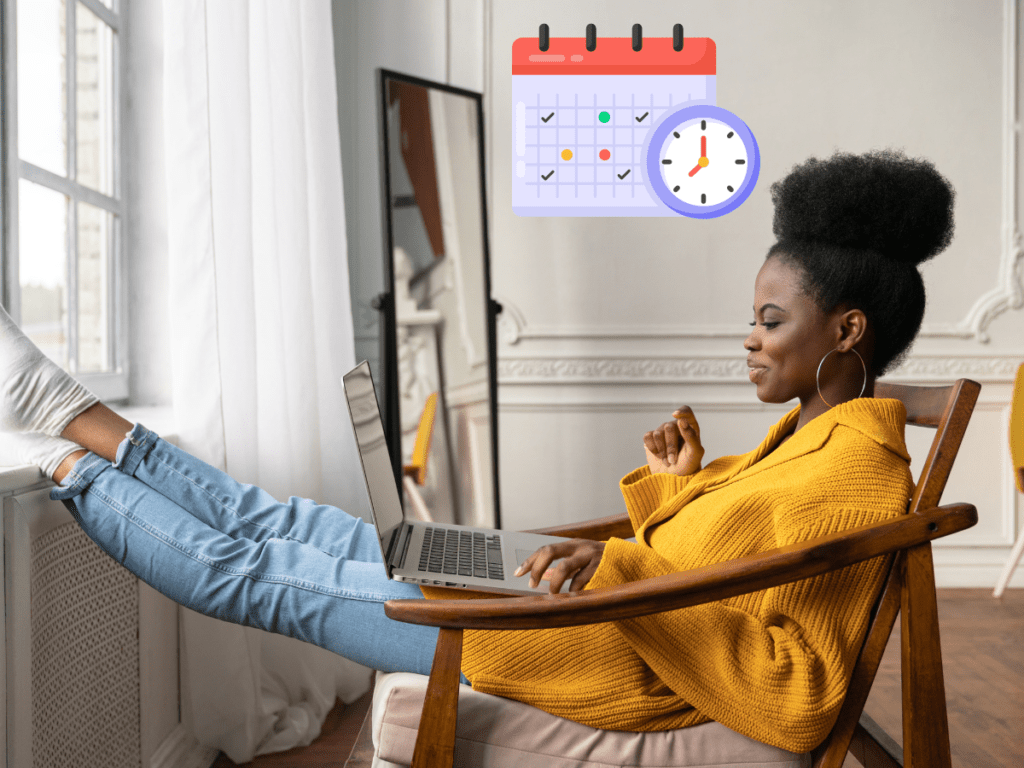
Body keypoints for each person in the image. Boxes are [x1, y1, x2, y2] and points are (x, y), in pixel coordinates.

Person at [0, 148, 954, 753]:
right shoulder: (809, 436)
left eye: (771, 320)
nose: (749, 339)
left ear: (846, 330)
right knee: (289, 522)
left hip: (570, 645)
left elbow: (799, 694)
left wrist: (618, 558)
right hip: (573, 604)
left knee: (261, 569)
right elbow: (716, 570)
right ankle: (78, 413)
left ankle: (70, 466)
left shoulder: (858, 475)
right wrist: (676, 492)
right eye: (753, 317)